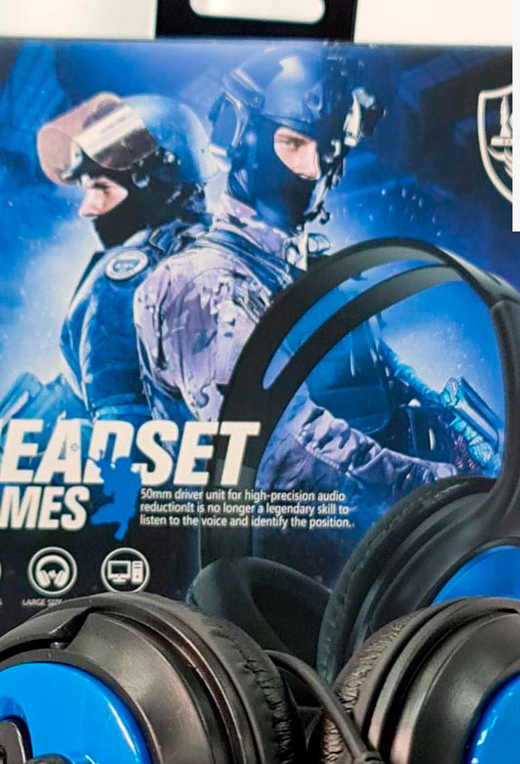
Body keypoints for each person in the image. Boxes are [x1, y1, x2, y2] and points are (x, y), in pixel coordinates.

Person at [134, 49, 469, 503]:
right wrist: (444, 487)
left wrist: (447, 427)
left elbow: (384, 378)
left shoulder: (310, 275)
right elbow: (280, 455)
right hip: (248, 540)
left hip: (347, 535)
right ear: (239, 138)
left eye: (328, 151)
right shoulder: (199, 283)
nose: (312, 171)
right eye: (293, 143)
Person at [35, 92, 217, 428]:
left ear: (153, 185)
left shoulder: (127, 280)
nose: (87, 209)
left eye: (102, 189)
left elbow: (120, 436)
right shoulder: (232, 255)